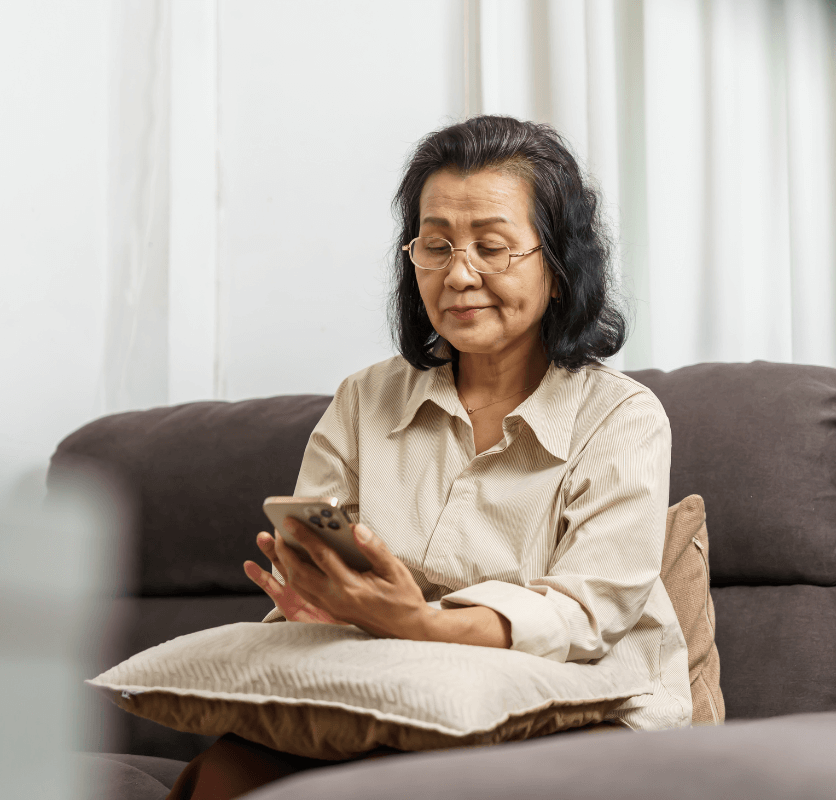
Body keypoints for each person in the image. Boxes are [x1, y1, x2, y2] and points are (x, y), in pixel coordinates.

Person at [166, 115, 692, 800]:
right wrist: (322, 605)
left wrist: (416, 623)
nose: (459, 274)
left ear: (560, 270)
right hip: (394, 699)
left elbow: (583, 618)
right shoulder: (364, 401)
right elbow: (329, 576)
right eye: (436, 246)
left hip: (575, 708)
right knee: (228, 772)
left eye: (492, 247)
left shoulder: (622, 418)